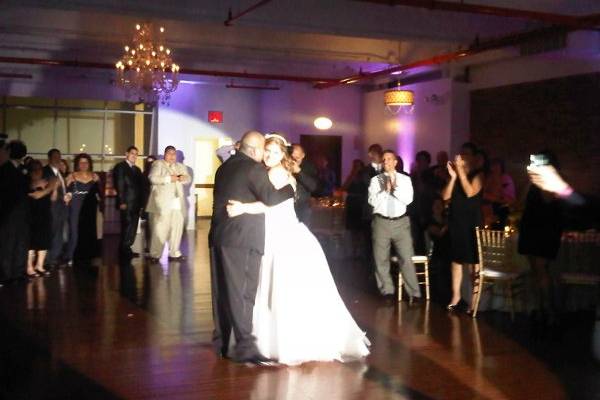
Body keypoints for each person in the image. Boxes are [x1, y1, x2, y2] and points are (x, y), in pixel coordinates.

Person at [226, 133, 370, 365]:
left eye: (273, 152)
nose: (268, 156)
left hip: (281, 235)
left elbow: (269, 204)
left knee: (279, 288)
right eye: (267, 151)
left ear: (282, 154)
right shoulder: (281, 172)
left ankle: (281, 342)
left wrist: (242, 207)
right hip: (287, 232)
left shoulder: (275, 173)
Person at [208, 131, 295, 364]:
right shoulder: (253, 168)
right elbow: (270, 197)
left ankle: (222, 342)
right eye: (264, 150)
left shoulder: (224, 167)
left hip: (219, 236)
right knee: (243, 292)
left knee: (222, 293)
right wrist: (291, 189)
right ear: (255, 150)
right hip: (242, 239)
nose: (265, 155)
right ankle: (244, 346)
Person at [368, 150, 421, 303]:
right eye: (384, 160)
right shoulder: (376, 180)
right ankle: (387, 291)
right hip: (381, 222)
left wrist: (394, 189)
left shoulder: (405, 179)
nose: (386, 162)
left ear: (395, 162)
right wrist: (386, 190)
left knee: (406, 258)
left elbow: (408, 199)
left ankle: (414, 293)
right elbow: (373, 201)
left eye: (389, 159)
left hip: (401, 222)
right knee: (381, 259)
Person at [519, 151, 564, 321]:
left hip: (545, 229)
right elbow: (520, 201)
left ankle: (548, 308)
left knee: (541, 268)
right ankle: (540, 306)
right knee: (535, 270)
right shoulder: (534, 180)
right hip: (531, 228)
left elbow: (548, 199)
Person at [443, 142, 484, 312]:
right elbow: (445, 196)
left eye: (467, 154)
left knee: (473, 265)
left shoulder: (478, 175)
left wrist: (460, 172)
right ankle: (456, 296)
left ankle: (474, 301)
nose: (463, 157)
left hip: (472, 225)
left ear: (473, 158)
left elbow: (469, 192)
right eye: (462, 153)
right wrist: (453, 177)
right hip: (457, 223)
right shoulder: (456, 175)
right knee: (456, 262)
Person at [146, 146, 191, 262]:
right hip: (163, 203)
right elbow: (152, 178)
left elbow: (188, 179)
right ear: (165, 154)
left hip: (177, 203)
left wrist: (184, 178)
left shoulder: (180, 166)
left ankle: (174, 253)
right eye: (170, 153)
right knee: (160, 230)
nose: (172, 156)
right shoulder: (158, 164)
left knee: (177, 228)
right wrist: (168, 178)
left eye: (174, 154)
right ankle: (155, 255)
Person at [0, 140, 30, 283]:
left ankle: (18, 272)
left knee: (21, 241)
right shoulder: (4, 169)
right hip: (9, 211)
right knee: (8, 242)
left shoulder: (24, 169)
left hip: (23, 211)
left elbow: (27, 188)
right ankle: (6, 274)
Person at [64, 153, 102, 266]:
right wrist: (67, 196)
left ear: (89, 164)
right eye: (81, 162)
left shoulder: (95, 176)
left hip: (90, 207)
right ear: (77, 164)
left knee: (89, 230)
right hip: (76, 205)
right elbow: (65, 190)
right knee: (74, 231)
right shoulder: (72, 176)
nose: (84, 164)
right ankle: (70, 256)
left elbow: (99, 192)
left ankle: (86, 255)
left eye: (86, 162)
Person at [26, 160, 57, 278]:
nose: (37, 172)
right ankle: (29, 267)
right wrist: (47, 188)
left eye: (39, 169)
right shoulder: (27, 182)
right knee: (32, 242)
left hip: (45, 214)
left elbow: (53, 198)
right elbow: (35, 195)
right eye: (35, 170)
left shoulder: (46, 181)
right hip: (32, 215)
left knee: (44, 239)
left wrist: (51, 188)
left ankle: (39, 265)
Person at [112, 146, 145, 257]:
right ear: (126, 154)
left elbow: (141, 188)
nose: (134, 156)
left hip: (136, 204)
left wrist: (141, 204)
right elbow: (119, 185)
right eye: (132, 153)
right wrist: (121, 201)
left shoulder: (137, 169)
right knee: (126, 226)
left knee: (133, 227)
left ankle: (128, 248)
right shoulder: (120, 167)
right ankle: (124, 250)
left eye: (136, 154)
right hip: (126, 203)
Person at [43, 148, 69, 268]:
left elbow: (63, 189)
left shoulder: (60, 173)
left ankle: (55, 257)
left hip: (62, 207)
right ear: (49, 159)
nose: (58, 159)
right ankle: (48, 260)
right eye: (55, 157)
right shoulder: (46, 172)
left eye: (59, 156)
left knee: (59, 233)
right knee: (51, 233)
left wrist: (67, 195)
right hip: (51, 207)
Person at [290, 143, 319, 225]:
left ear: (303, 155)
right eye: (292, 156)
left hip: (303, 208)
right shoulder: (285, 165)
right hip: (288, 206)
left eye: (297, 157)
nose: (294, 159)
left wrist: (299, 172)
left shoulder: (309, 167)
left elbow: (313, 187)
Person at [483, 158, 515, 229]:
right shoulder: (489, 178)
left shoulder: (506, 179)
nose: (494, 167)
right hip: (488, 207)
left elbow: (509, 199)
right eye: (493, 165)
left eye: (497, 165)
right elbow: (484, 193)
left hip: (501, 207)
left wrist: (494, 198)